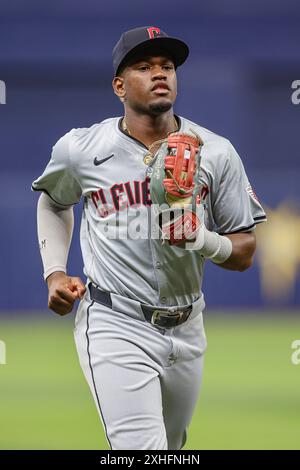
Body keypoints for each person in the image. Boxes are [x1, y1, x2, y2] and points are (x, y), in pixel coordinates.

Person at [32, 26, 267, 450]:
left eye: (168, 66)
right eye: (144, 66)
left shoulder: (215, 151)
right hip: (114, 319)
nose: (160, 74)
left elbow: (245, 250)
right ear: (119, 86)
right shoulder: (81, 149)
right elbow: (53, 201)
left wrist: (201, 239)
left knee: (172, 450)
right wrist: (54, 272)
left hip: (188, 325)